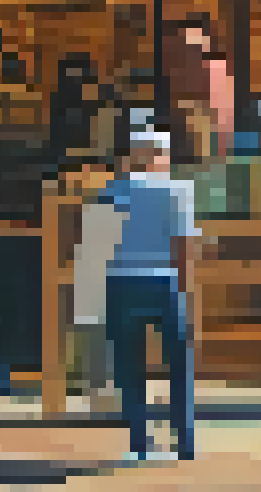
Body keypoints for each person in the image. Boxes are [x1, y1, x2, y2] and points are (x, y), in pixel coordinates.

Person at [73, 129, 197, 463]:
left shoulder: (111, 191)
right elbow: (182, 245)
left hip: (121, 283)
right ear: (163, 155)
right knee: (179, 367)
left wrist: (90, 300)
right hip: (164, 282)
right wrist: (186, 289)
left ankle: (139, 444)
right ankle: (185, 444)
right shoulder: (177, 190)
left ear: (133, 155)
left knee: (130, 368)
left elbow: (96, 246)